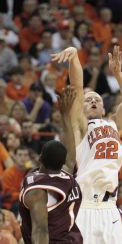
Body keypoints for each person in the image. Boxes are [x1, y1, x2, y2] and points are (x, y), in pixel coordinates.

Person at [51, 45, 122, 244]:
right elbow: (78, 87)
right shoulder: (80, 127)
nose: (93, 101)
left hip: (110, 208)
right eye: (88, 100)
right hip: (85, 205)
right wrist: (74, 58)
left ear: (104, 106)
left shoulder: (114, 124)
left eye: (97, 99)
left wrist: (118, 73)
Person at [19, 86, 83, 244]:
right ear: (62, 163)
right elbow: (70, 156)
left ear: (40, 158)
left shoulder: (38, 192)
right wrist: (65, 115)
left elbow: (40, 230)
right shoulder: (66, 175)